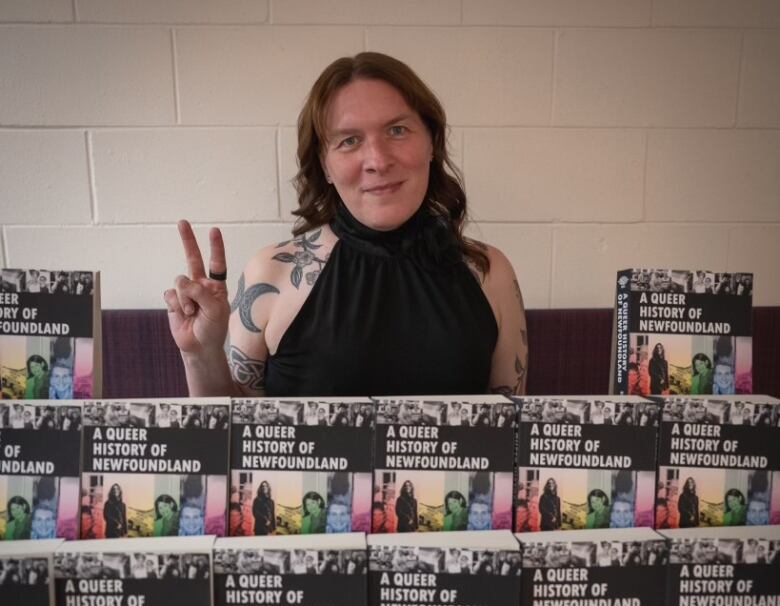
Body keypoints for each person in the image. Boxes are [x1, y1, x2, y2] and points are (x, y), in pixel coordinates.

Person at [164, 52, 528, 400]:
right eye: (349, 140)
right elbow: (236, 439)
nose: (378, 160)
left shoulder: (489, 274)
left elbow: (514, 435)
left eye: (398, 130)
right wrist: (200, 354)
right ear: (324, 165)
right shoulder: (271, 273)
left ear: (431, 142)